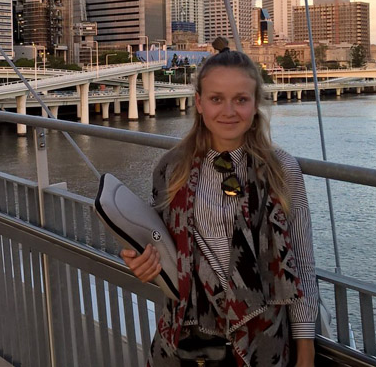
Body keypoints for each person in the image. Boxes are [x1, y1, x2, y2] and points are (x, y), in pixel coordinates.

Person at [121, 43, 317, 367]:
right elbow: (157, 245)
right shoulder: (171, 168)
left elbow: (302, 263)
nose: (229, 111)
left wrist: (305, 353)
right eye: (216, 99)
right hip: (185, 342)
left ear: (256, 105)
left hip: (262, 342)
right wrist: (141, 262)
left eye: (241, 99)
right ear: (199, 102)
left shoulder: (282, 169)